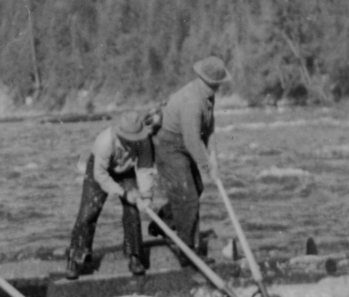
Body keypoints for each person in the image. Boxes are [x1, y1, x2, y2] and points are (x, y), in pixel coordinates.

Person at [151, 56, 230, 267]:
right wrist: (206, 167)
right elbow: (193, 141)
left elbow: (209, 130)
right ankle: (188, 252)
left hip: (184, 142)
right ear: (207, 81)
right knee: (189, 198)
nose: (218, 88)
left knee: (196, 186)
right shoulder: (192, 101)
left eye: (219, 84)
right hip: (169, 146)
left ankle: (164, 222)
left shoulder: (207, 96)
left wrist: (215, 161)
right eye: (216, 84)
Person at [65, 110, 161, 280]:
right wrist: (123, 193)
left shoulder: (145, 141)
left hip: (126, 171)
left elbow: (145, 168)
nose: (134, 143)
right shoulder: (104, 141)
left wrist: (146, 196)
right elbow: (101, 176)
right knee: (88, 212)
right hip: (100, 171)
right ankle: (76, 258)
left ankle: (134, 256)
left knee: (132, 211)